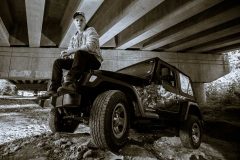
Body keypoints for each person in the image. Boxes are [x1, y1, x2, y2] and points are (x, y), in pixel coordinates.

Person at [38, 11, 103, 99]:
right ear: (74, 23)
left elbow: (90, 47)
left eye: (81, 20)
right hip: (80, 62)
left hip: (93, 61)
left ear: (85, 21)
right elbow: (71, 51)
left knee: (79, 53)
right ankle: (53, 89)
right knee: (58, 62)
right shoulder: (74, 37)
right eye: (76, 20)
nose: (79, 22)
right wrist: (66, 54)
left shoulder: (90, 30)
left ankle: (70, 83)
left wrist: (71, 51)